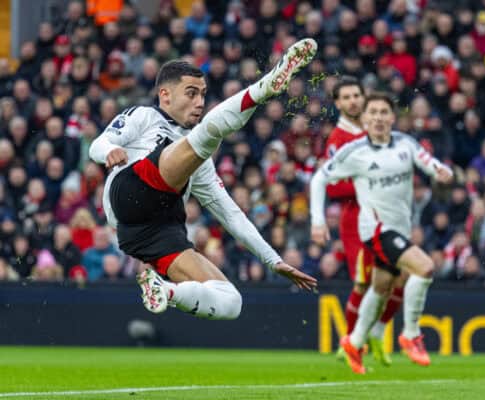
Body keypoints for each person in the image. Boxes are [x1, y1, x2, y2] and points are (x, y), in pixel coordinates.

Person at [89, 39, 318, 320]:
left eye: (202, 94)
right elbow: (97, 144)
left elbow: (230, 214)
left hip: (151, 234)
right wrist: (109, 151)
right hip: (129, 193)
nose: (199, 102)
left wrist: (274, 260)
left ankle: (165, 291)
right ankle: (267, 86)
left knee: (231, 303)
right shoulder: (144, 116)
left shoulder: (200, 160)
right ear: (165, 95)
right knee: (204, 136)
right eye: (191, 93)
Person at [310, 92, 453, 374]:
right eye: (372, 112)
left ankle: (355, 341)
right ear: (364, 118)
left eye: (383, 112)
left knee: (382, 287)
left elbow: (431, 163)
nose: (377, 117)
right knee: (423, 268)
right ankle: (411, 335)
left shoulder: (405, 143)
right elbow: (320, 178)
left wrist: (442, 171)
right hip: (375, 229)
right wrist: (318, 221)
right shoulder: (354, 152)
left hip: (400, 229)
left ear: (392, 117)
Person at [325, 76, 404, 366]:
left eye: (356, 95)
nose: (352, 101)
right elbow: (333, 187)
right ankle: (350, 342)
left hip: (389, 215)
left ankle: (377, 333)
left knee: (400, 281)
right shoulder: (338, 139)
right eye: (345, 97)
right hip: (358, 219)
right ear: (337, 103)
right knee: (366, 283)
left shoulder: (378, 130)